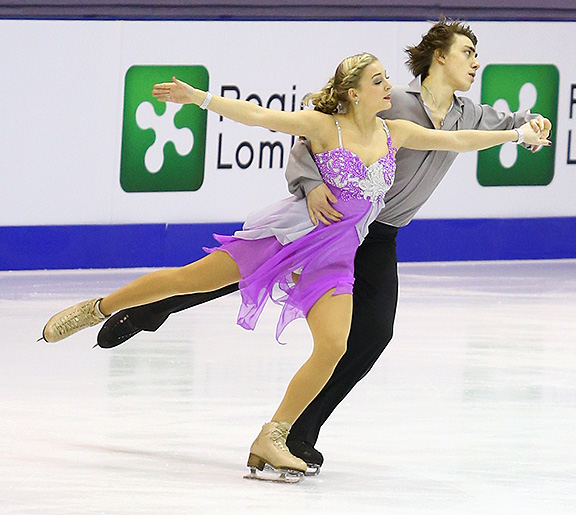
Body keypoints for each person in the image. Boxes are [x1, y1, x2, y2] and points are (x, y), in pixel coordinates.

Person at [42, 50, 548, 480]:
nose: (388, 86)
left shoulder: (397, 131)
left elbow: (458, 140)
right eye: (378, 81)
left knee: (334, 345)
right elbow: (260, 117)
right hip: (288, 237)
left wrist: (515, 136)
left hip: (337, 255)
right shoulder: (323, 126)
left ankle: (274, 435)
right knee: (188, 280)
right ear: (353, 93)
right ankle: (95, 308)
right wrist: (200, 99)